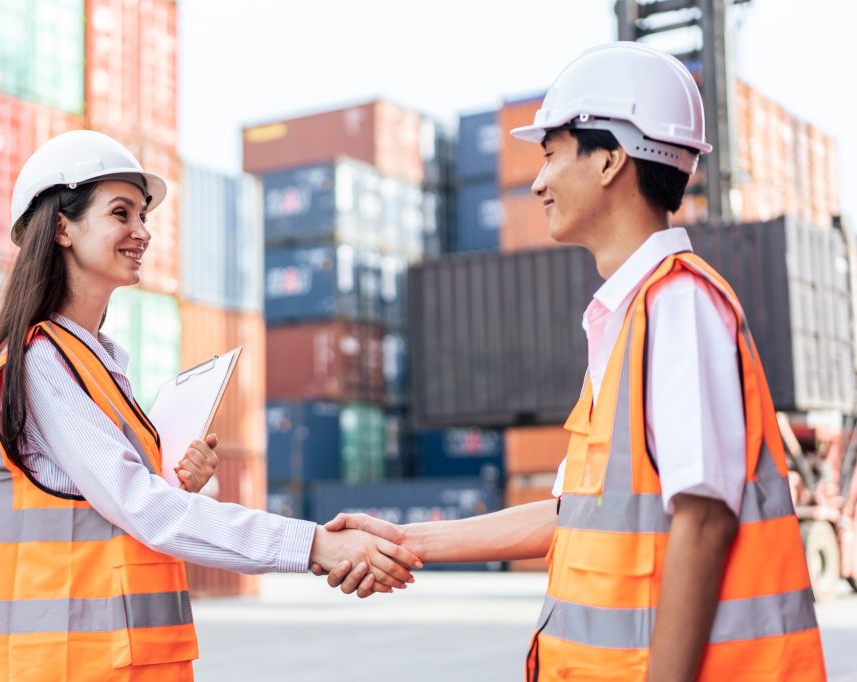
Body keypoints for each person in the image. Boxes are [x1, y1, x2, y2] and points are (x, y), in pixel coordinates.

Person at [318, 42, 827, 681]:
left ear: (611, 158)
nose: (536, 181)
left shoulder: (679, 306)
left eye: (552, 153)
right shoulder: (631, 315)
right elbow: (575, 514)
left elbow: (704, 519)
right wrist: (404, 540)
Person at [0, 130, 421, 681]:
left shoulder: (92, 363)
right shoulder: (42, 365)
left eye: (143, 216)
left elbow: (114, 514)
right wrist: (313, 542)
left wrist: (172, 484)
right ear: (61, 227)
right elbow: (143, 509)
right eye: (121, 213)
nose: (142, 232)